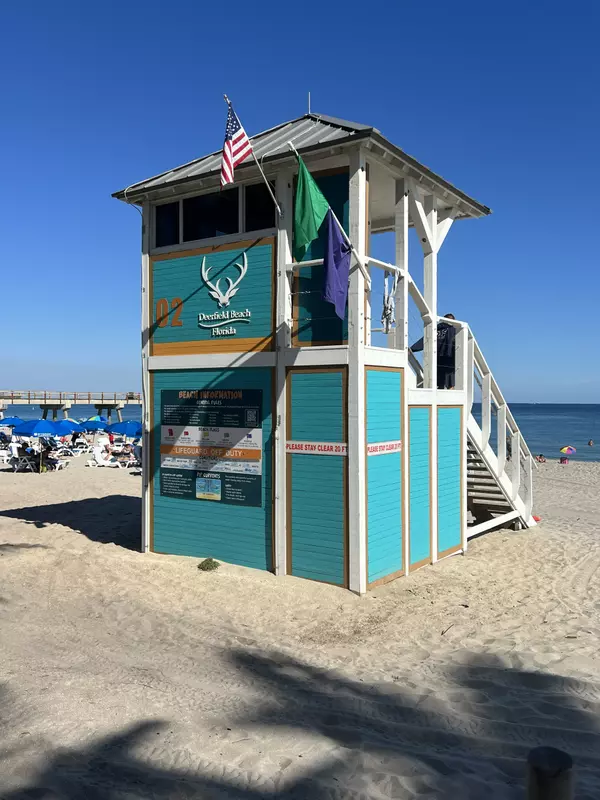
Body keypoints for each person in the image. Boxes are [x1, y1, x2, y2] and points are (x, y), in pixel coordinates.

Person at [411, 314, 457, 389]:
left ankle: (438, 398)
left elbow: (424, 341)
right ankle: (448, 399)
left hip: (436, 358)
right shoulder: (453, 330)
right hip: (449, 357)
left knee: (439, 382)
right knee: (450, 382)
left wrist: (412, 349)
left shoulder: (435, 330)